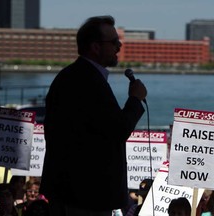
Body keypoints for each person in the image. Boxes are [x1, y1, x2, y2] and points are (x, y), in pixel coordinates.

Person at [40, 15, 147, 216]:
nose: (119, 46)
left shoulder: (74, 75)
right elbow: (118, 130)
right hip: (85, 196)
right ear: (95, 47)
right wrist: (135, 99)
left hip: (74, 193)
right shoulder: (87, 82)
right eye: (114, 42)